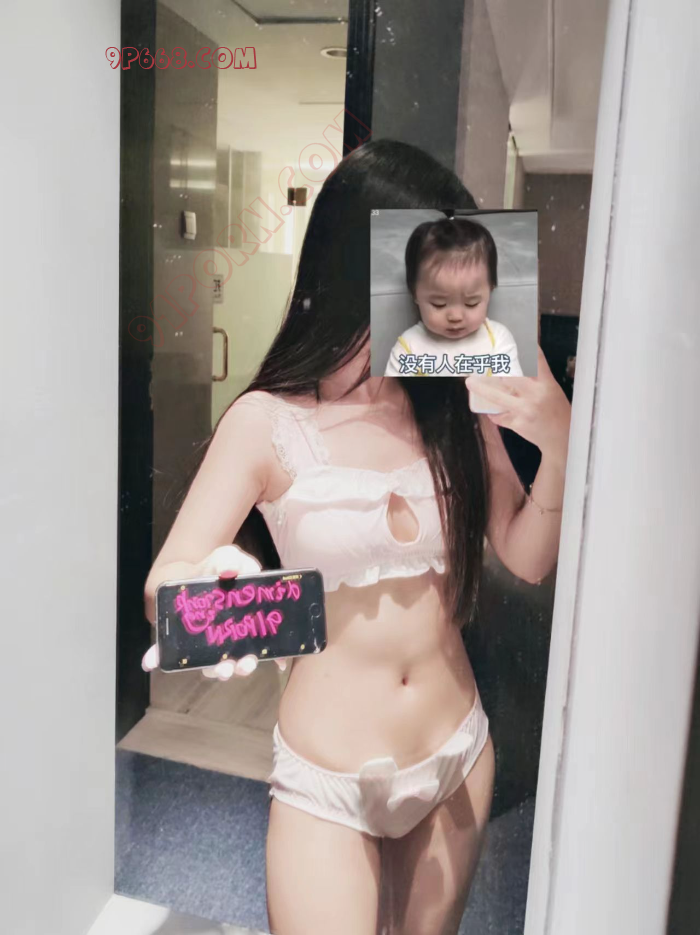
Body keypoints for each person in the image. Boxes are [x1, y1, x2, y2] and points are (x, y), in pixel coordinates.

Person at [141, 138, 572, 935]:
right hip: (327, 780)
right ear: (363, 266)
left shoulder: (454, 400)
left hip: (456, 753)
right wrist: (212, 591)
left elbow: (528, 555)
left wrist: (559, 441)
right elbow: (164, 586)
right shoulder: (267, 422)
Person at [384, 216, 524, 378]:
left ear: (490, 290)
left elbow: (513, 389)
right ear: (414, 293)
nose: (456, 317)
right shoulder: (408, 348)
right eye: (439, 304)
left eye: (471, 303)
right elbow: (392, 392)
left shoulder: (497, 339)